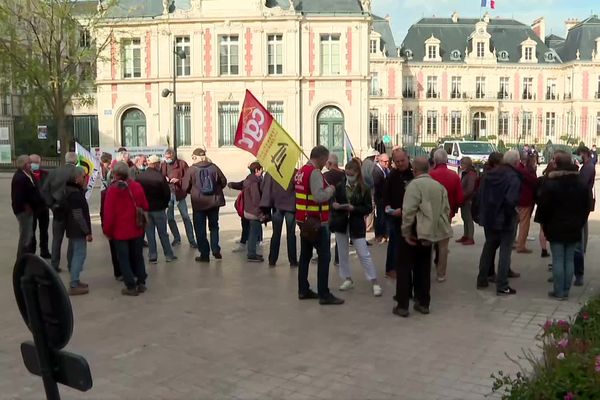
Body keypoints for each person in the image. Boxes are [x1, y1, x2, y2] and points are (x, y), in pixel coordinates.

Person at [394, 157, 451, 317]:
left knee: (404, 268)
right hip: (430, 232)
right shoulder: (438, 186)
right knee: (423, 268)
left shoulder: (414, 186)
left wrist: (405, 232)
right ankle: (423, 302)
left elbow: (408, 211)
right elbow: (446, 210)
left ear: (414, 170)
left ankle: (402, 305)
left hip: (414, 231)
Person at [535, 151, 590, 300]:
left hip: (555, 226)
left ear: (557, 164)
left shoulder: (551, 185)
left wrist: (544, 226)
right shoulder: (581, 184)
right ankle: (566, 290)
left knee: (558, 259)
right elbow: (587, 206)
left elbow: (543, 207)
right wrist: (580, 221)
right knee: (569, 258)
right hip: (574, 226)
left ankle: (559, 291)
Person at [295, 145, 344, 305]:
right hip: (316, 221)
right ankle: (324, 294)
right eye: (325, 160)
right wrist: (330, 189)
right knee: (324, 257)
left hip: (304, 220)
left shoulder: (301, 171)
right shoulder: (315, 172)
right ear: (322, 158)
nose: (326, 163)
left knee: (305, 256)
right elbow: (318, 196)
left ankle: (303, 289)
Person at [330, 158, 383, 297]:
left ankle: (374, 281)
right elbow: (333, 202)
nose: (349, 177)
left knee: (363, 253)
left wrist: (354, 208)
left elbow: (368, 208)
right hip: (341, 223)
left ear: (357, 174)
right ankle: (347, 278)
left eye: (351, 174)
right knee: (342, 252)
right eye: (347, 174)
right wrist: (335, 206)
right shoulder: (340, 186)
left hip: (356, 223)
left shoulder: (364, 188)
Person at [476, 150, 522, 295]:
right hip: (505, 218)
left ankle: (482, 279)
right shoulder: (513, 177)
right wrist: (513, 214)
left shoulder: (489, 174)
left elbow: (481, 195)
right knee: (505, 250)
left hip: (490, 216)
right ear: (516, 162)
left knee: (489, 247)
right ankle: (502, 285)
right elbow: (511, 199)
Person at [103, 162, 149, 296]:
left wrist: (107, 231)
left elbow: (109, 213)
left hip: (120, 231)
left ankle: (130, 286)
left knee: (123, 259)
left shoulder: (112, 190)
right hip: (136, 228)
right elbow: (145, 205)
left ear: (115, 174)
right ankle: (141, 282)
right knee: (138, 256)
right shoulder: (136, 186)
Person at [182, 148, 227, 263]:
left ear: (195, 157)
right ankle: (215, 248)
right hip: (214, 202)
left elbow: (184, 187)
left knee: (200, 229)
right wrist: (215, 189)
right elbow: (224, 181)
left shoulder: (192, 170)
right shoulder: (214, 167)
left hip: (199, 203)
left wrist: (194, 192)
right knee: (214, 226)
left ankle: (204, 254)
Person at [429, 149, 464, 282]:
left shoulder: (430, 175)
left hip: (430, 214)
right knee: (443, 246)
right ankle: (441, 273)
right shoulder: (454, 176)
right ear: (447, 160)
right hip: (446, 214)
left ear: (435, 161)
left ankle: (425, 270)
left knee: (428, 242)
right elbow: (460, 198)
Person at [41, 152, 78, 272]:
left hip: (57, 208)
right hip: (72, 209)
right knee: (72, 238)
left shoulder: (55, 171)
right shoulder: (78, 171)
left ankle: (54, 264)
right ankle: (71, 264)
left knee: (57, 238)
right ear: (75, 160)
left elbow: (45, 189)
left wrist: (51, 204)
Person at [137, 155, 177, 264]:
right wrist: (164, 205)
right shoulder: (160, 177)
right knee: (163, 233)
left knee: (149, 233)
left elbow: (137, 194)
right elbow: (166, 193)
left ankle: (152, 256)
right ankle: (168, 255)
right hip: (159, 209)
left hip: (146, 210)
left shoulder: (141, 177)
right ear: (156, 164)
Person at [383, 148, 414, 280]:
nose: (400, 163)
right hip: (394, 215)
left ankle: (408, 267)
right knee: (395, 241)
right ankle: (391, 269)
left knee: (410, 242)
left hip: (410, 214)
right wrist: (387, 206)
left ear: (408, 158)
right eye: (397, 161)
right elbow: (385, 194)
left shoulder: (414, 174)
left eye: (402, 160)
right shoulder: (392, 175)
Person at [64, 167, 92, 296]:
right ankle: (74, 283)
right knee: (79, 255)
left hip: (73, 227)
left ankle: (76, 279)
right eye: (82, 176)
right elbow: (78, 215)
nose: (84, 178)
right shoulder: (74, 195)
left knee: (76, 253)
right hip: (77, 229)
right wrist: (87, 231)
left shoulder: (73, 191)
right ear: (76, 179)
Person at [161, 148, 197, 249]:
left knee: (185, 216)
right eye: (166, 157)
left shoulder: (182, 164)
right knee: (170, 218)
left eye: (169, 157)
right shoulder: (163, 165)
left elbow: (189, 177)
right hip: (168, 194)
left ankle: (191, 240)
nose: (167, 159)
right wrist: (164, 179)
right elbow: (160, 176)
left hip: (179, 193)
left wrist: (179, 180)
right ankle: (176, 238)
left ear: (173, 156)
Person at [260, 170, 297, 267]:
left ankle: (272, 260)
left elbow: (263, 187)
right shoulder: (293, 172)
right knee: (291, 234)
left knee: (276, 234)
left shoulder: (272, 172)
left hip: (277, 206)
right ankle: (293, 261)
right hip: (291, 207)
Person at [12, 155, 43, 261]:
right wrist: (26, 206)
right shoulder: (20, 178)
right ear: (23, 165)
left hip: (32, 209)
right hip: (24, 212)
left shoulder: (29, 175)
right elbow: (19, 196)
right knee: (25, 236)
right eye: (29, 163)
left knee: (28, 236)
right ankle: (21, 259)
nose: (31, 165)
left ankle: (26, 257)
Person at [575, 146, 595, 286]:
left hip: (583, 201)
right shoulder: (587, 166)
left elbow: (582, 184)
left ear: (585, 154)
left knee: (580, 236)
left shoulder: (588, 167)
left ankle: (579, 274)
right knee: (583, 229)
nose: (579, 156)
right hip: (584, 201)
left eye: (579, 154)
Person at [323, 154, 346, 265]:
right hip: (342, 209)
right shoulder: (345, 174)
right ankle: (338, 258)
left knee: (326, 235)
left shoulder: (326, 176)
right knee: (340, 237)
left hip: (328, 208)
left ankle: (325, 256)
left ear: (330, 163)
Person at [29, 154, 51, 258]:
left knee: (44, 231)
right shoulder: (26, 174)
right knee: (31, 232)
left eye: (37, 163)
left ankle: (44, 251)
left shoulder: (46, 174)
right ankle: (31, 252)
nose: (35, 165)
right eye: (33, 162)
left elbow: (50, 189)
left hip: (43, 207)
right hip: (31, 209)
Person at [515, 153, 537, 254]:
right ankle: (521, 245)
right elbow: (534, 182)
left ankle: (517, 242)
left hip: (519, 198)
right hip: (525, 199)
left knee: (518, 221)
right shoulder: (527, 171)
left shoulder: (518, 170)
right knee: (524, 223)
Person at [243, 162, 265, 263]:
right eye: (261, 170)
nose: (262, 172)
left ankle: (252, 252)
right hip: (254, 212)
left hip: (248, 210)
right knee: (253, 233)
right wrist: (260, 214)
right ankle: (251, 253)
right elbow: (256, 200)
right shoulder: (254, 183)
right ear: (257, 170)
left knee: (252, 231)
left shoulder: (248, 180)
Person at [457, 157, 478, 246]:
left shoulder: (471, 174)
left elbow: (470, 189)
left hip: (468, 200)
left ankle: (470, 237)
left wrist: (462, 196)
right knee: (464, 217)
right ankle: (466, 235)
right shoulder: (466, 173)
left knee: (468, 218)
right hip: (465, 199)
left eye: (462, 164)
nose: (460, 166)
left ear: (466, 164)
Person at [372, 153, 390, 243]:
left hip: (385, 198)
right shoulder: (376, 171)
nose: (387, 163)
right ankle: (379, 235)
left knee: (385, 217)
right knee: (380, 217)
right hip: (380, 198)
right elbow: (378, 186)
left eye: (388, 161)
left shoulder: (386, 170)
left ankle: (385, 234)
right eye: (385, 162)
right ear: (380, 161)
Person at [362, 148, 379, 233]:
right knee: (370, 208)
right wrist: (373, 184)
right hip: (370, 189)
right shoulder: (372, 165)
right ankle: (368, 226)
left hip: (363, 188)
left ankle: (366, 225)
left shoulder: (364, 163)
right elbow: (371, 178)